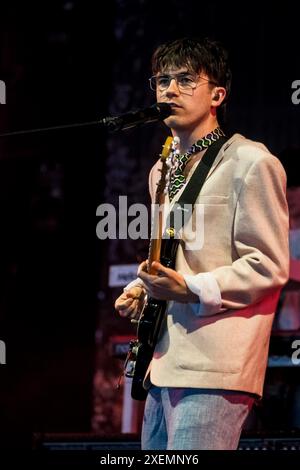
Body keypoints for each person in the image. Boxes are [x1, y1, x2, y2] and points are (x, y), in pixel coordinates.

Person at [114, 37, 289, 450]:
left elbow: (268, 265)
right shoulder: (162, 169)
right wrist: (143, 286)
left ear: (217, 94)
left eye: (186, 80)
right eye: (162, 81)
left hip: (214, 367)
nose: (170, 90)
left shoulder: (250, 161)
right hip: (162, 364)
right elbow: (179, 255)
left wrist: (189, 288)